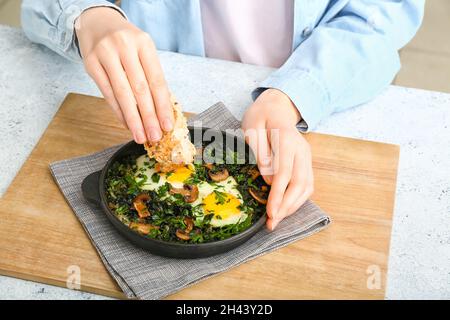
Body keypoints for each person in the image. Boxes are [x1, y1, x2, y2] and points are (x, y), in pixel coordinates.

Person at [21, 0, 424, 230]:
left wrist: (292, 94)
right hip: (153, 82)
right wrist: (90, 15)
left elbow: (378, 18)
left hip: (308, 91)